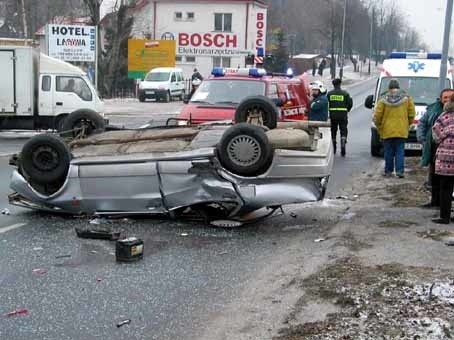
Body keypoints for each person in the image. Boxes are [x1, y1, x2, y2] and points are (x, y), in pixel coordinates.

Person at [417, 88, 454, 208]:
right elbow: (422, 123)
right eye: (445, 98)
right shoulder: (433, 109)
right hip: (433, 147)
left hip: (447, 149)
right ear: (441, 98)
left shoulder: (448, 114)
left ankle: (444, 205)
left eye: (450, 97)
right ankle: (435, 201)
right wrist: (422, 138)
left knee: (446, 179)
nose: (447, 100)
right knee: (434, 175)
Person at [373, 79, 416, 178]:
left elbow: (377, 116)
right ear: (398, 87)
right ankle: (400, 171)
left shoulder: (383, 99)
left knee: (388, 151)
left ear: (389, 88)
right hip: (401, 130)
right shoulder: (407, 98)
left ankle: (388, 171)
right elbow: (411, 113)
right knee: (400, 151)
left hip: (387, 130)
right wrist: (407, 124)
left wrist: (380, 126)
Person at [431, 94, 454, 224]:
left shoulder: (444, 116)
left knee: (445, 187)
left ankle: (444, 216)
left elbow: (436, 134)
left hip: (446, 156)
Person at [327, 78, 353, 156]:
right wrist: (347, 110)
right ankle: (343, 141)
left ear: (333, 85)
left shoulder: (330, 94)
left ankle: (334, 147)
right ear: (340, 84)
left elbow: (326, 104)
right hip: (343, 115)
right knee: (343, 129)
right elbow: (350, 103)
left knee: (333, 130)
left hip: (333, 115)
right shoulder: (345, 94)